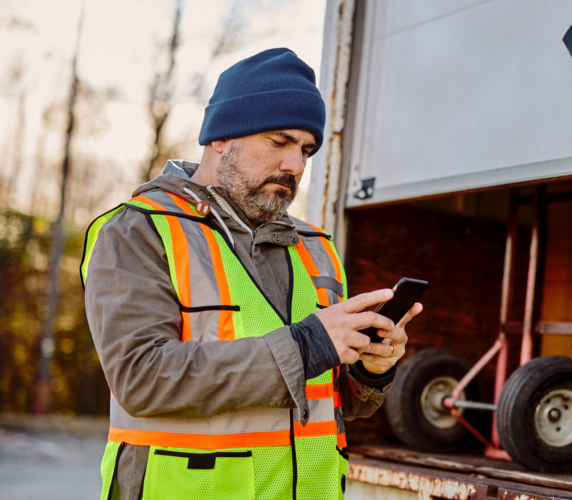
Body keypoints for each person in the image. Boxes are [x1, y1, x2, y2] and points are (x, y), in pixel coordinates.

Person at [82, 48, 420, 500]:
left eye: (306, 149)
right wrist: (310, 344)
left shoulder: (316, 247)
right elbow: (141, 377)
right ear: (222, 137)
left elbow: (328, 398)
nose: (296, 166)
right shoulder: (138, 230)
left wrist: (369, 371)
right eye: (280, 142)